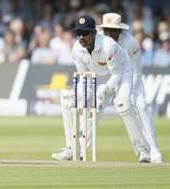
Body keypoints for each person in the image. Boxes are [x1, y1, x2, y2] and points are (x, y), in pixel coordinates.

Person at [52, 15, 150, 163]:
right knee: (70, 100)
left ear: (94, 33)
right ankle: (73, 149)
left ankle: (143, 151)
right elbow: (84, 77)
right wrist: (85, 97)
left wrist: (106, 89)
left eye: (85, 33)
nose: (81, 37)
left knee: (123, 104)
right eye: (78, 33)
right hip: (96, 77)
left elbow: (116, 74)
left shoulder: (108, 46)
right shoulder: (77, 50)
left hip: (122, 73)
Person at [98, 13, 162, 162]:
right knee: (96, 109)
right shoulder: (99, 40)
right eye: (106, 29)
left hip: (131, 79)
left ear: (119, 31)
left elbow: (136, 71)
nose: (108, 33)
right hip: (110, 77)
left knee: (141, 108)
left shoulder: (130, 43)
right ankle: (78, 149)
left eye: (112, 30)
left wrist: (130, 93)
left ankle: (153, 150)